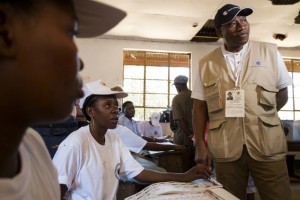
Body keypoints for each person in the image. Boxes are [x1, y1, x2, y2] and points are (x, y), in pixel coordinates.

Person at [0, 0, 126, 199]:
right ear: (5, 35)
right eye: (70, 33)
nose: (80, 62)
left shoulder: (32, 147)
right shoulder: (72, 142)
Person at [192, 4, 293, 200]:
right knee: (229, 197)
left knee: (279, 196)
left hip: (267, 145)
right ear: (219, 31)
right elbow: (199, 107)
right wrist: (200, 146)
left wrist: (262, 117)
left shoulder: (269, 52)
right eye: (232, 24)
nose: (241, 26)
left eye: (243, 20)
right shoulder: (206, 63)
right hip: (226, 147)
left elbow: (282, 93)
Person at [53, 80, 212, 200]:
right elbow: (56, 190)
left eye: (116, 106)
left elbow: (140, 173)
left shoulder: (113, 140)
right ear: (91, 111)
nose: (116, 110)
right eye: (108, 106)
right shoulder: (76, 143)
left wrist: (185, 176)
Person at [171, 75, 195, 169]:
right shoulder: (195, 96)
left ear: (178, 85)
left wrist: (189, 135)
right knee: (194, 162)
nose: (176, 88)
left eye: (176, 86)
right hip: (198, 135)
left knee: (183, 164)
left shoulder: (177, 98)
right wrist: (195, 137)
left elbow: (180, 120)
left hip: (184, 136)